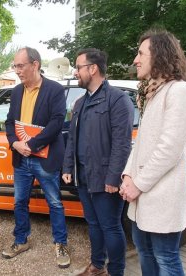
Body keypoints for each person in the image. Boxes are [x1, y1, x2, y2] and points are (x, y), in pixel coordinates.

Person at [119, 29, 186, 276]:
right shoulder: (152, 93)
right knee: (144, 250)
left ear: (160, 55)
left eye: (141, 53)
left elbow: (169, 149)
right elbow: (141, 142)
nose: (135, 59)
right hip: (144, 194)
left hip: (162, 195)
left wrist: (137, 184)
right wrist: (127, 175)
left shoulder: (179, 91)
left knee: (166, 257)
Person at [62, 48, 134, 276]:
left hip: (105, 179)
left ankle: (116, 271)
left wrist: (114, 178)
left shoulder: (118, 100)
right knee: (92, 224)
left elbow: (122, 144)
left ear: (93, 69)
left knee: (111, 226)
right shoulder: (80, 103)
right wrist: (68, 167)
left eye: (79, 67)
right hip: (84, 177)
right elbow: (72, 138)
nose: (75, 72)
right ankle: (96, 266)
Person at [3, 47, 70, 268]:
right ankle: (21, 240)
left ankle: (60, 243)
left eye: (20, 66)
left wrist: (30, 145)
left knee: (54, 203)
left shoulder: (55, 90)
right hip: (21, 158)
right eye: (15, 66)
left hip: (44, 157)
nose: (17, 71)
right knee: (19, 201)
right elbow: (10, 122)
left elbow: (56, 123)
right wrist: (14, 143)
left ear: (35, 64)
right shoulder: (16, 92)